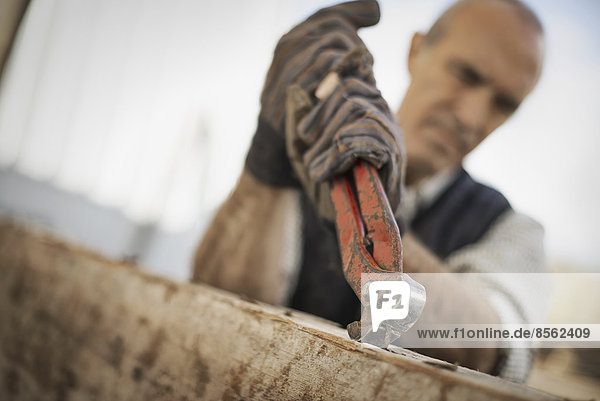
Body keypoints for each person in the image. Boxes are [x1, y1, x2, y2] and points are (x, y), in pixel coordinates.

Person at [192, 0, 545, 383]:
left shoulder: (512, 229)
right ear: (415, 51)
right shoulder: (301, 161)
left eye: (504, 104)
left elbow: (493, 348)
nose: (472, 117)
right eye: (466, 75)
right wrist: (269, 157)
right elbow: (216, 300)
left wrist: (373, 209)